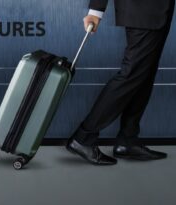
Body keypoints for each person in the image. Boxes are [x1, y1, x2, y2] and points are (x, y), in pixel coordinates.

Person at [66, 0, 175, 165]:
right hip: (142, 10)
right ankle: (83, 138)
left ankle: (127, 140)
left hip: (160, 9)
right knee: (131, 75)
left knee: (144, 75)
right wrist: (95, 11)